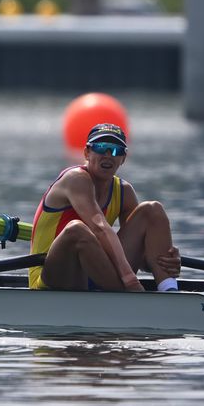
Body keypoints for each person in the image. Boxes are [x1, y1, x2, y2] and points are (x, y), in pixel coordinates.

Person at [28, 123, 181, 292]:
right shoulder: (75, 179)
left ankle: (169, 289)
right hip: (53, 276)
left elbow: (140, 258)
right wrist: (131, 281)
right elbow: (99, 227)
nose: (108, 155)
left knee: (153, 210)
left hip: (98, 273)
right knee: (77, 230)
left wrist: (163, 259)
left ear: (123, 158)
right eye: (101, 148)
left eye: (115, 150)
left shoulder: (124, 192)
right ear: (87, 153)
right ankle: (129, 297)